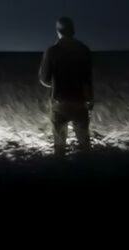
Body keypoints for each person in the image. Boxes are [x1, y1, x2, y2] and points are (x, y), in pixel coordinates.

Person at [37, 16, 93, 156]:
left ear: (58, 31)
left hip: (60, 103)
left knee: (60, 145)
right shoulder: (84, 50)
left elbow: (44, 79)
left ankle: (60, 170)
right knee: (84, 143)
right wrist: (90, 99)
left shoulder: (52, 51)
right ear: (73, 31)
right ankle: (89, 170)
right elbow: (88, 78)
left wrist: (55, 83)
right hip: (80, 102)